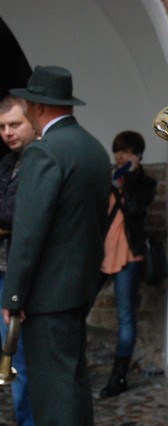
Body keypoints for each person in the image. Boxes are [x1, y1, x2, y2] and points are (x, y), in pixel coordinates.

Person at [1, 65, 111, 425]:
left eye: (30, 104)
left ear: (39, 106)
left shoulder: (44, 152)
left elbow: (28, 233)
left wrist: (14, 296)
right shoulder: (92, 147)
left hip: (47, 295)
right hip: (79, 287)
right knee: (74, 383)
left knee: (53, 394)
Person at [99, 130, 156, 398]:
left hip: (129, 256)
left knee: (125, 316)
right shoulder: (108, 180)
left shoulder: (145, 183)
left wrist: (131, 177)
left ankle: (118, 377)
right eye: (117, 151)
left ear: (137, 155)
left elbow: (135, 208)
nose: (119, 156)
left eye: (126, 151)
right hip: (100, 253)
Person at [0, 95, 35, 426]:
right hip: (4, 268)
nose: (8, 132)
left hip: (19, 274)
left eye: (14, 124)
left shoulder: (36, 161)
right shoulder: (8, 163)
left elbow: (16, 216)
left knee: (20, 359)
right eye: (2, 127)